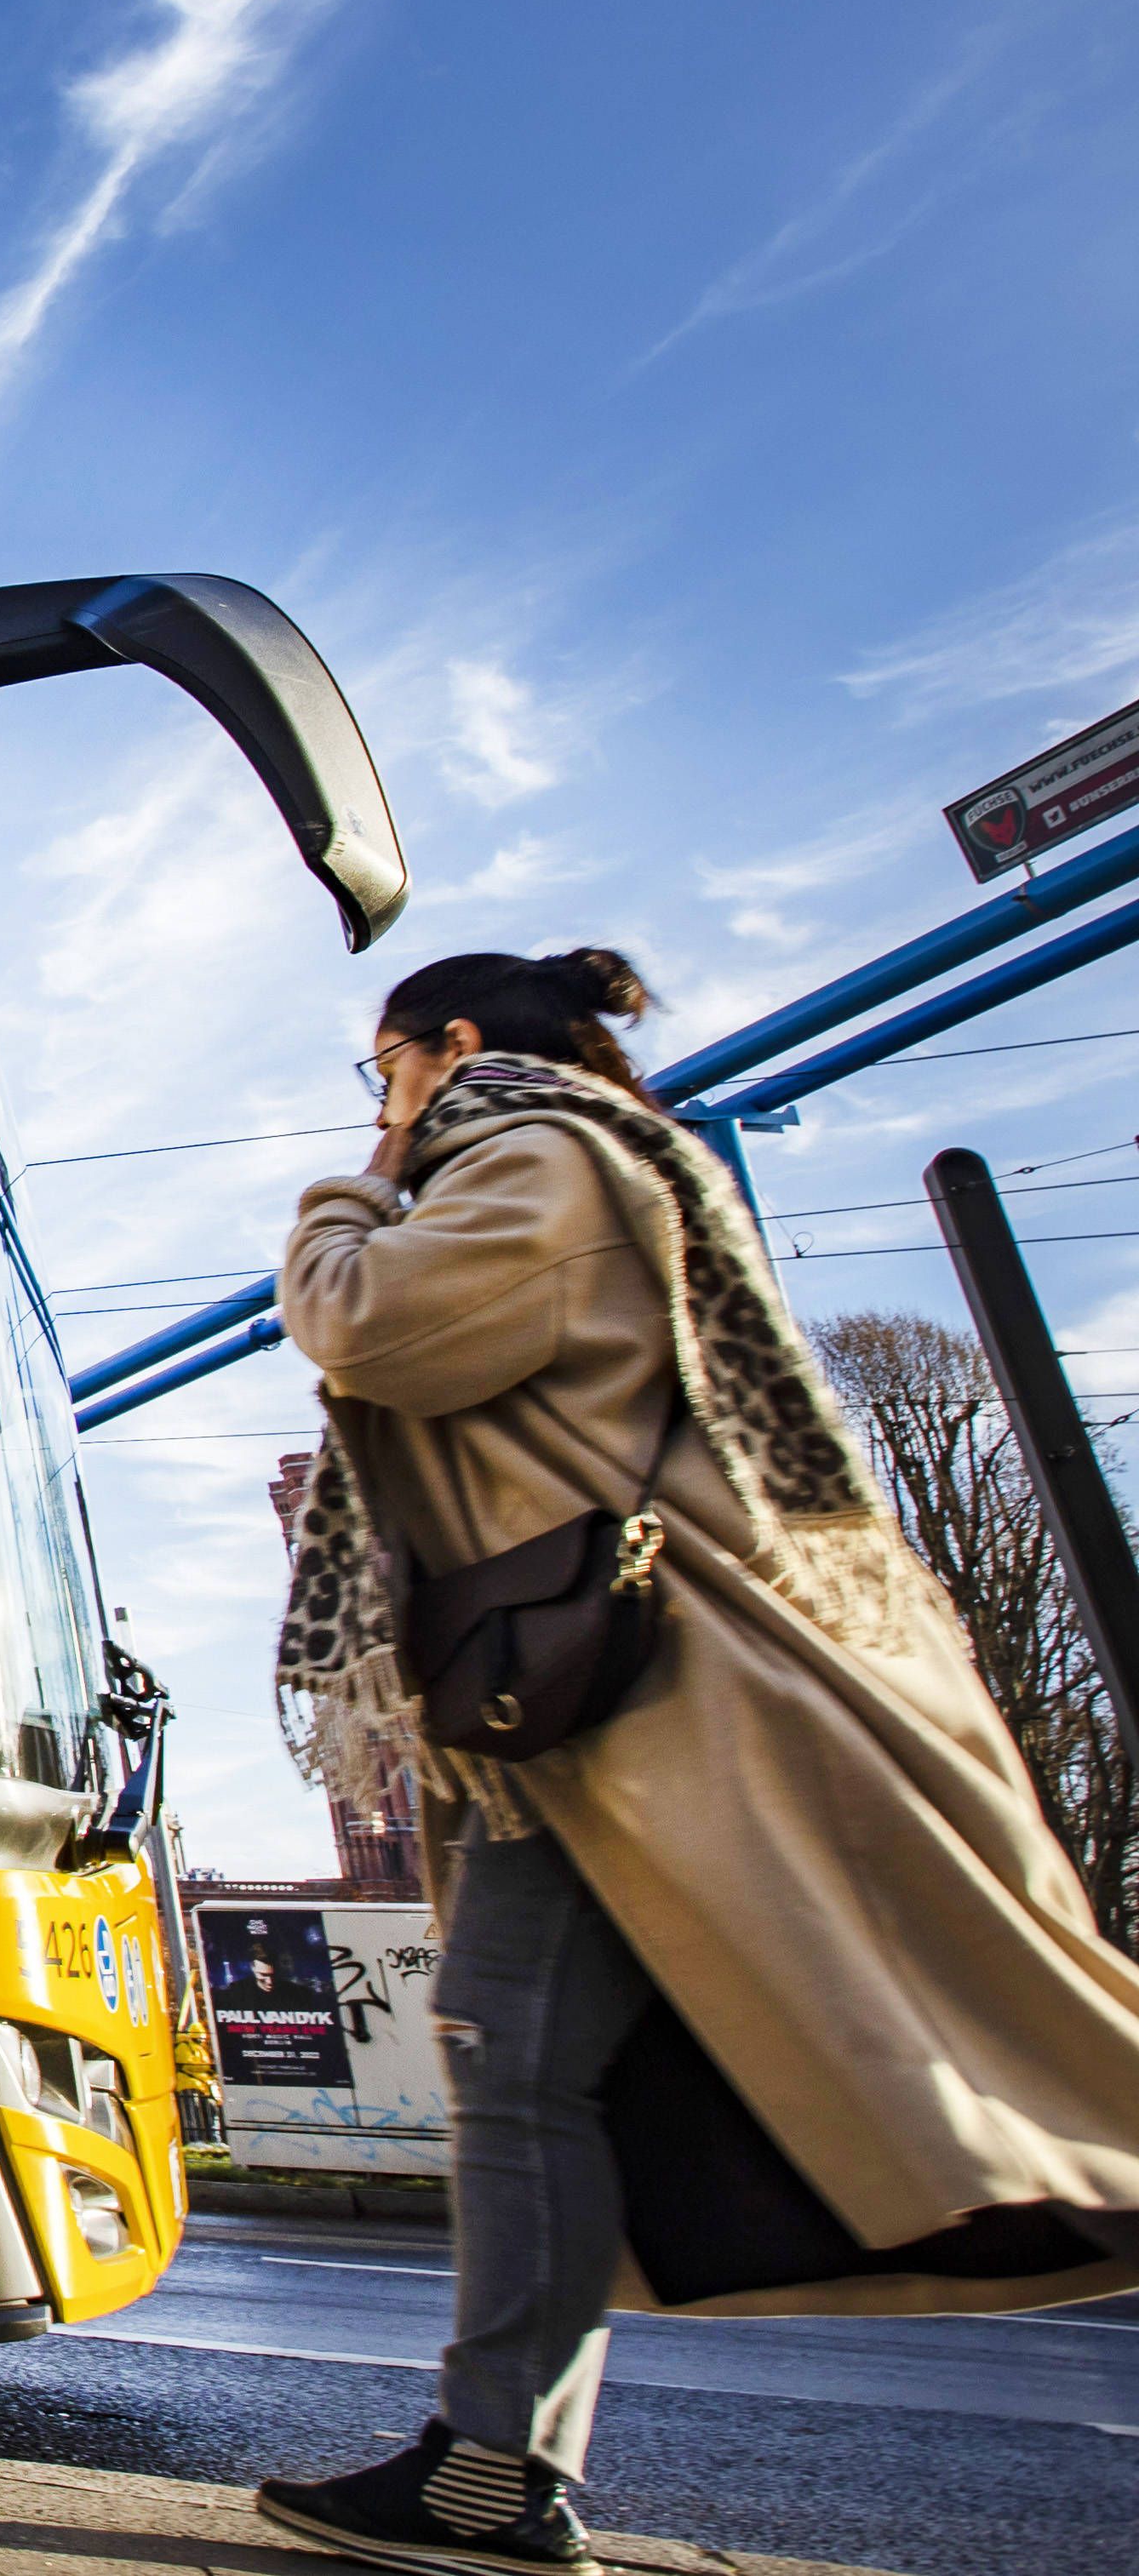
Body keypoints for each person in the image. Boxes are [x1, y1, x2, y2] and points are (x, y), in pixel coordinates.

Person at [253, 949, 1139, 2576]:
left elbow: (368, 1325)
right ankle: (492, 2463)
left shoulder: (532, 1151)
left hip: (609, 1704)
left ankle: (493, 2466)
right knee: (527, 2063)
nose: (381, 1105)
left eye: (384, 1070)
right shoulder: (605, 1153)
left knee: (515, 2060)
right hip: (594, 1707)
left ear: (453, 1045)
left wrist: (349, 1187)